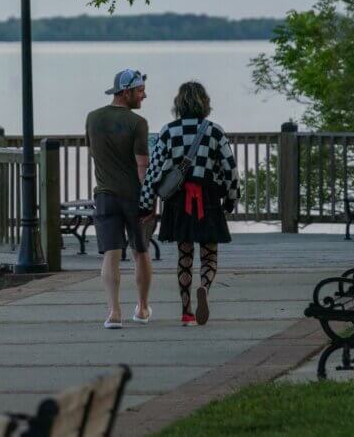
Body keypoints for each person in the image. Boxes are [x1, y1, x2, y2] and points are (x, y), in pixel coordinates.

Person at [139, 81, 240, 326]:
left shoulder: (168, 131)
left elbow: (153, 171)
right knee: (209, 255)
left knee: (184, 255)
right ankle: (204, 286)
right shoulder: (214, 131)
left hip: (178, 200)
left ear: (179, 104)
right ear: (204, 104)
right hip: (207, 199)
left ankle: (186, 312)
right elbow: (231, 169)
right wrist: (231, 198)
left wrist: (145, 202)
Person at [85, 68, 154, 329]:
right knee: (140, 251)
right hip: (132, 197)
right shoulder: (138, 123)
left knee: (111, 254)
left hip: (104, 195)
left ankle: (114, 313)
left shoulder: (93, 118)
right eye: (139, 91)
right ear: (126, 93)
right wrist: (148, 199)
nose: (144, 95)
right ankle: (143, 308)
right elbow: (142, 166)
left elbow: (92, 152)